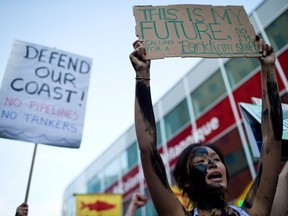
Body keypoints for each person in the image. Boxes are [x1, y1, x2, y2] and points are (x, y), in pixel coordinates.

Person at [129, 37, 283, 215]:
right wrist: (142, 74)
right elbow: (148, 150)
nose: (211, 163)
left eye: (217, 160)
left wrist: (268, 68)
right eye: (200, 162)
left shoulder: (253, 211)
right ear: (185, 181)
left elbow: (272, 140)